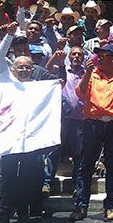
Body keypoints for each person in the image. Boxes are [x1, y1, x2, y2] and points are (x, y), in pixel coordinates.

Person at [0, 23, 49, 223]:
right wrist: (8, 36)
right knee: (8, 178)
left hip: (29, 140)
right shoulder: (5, 80)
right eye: (21, 67)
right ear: (13, 69)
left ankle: (23, 213)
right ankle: (5, 214)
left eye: (28, 67)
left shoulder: (37, 88)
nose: (24, 69)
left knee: (26, 178)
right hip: (9, 139)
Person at [70, 44, 113, 222]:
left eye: (105, 56)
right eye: (99, 55)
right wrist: (88, 73)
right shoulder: (92, 74)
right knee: (86, 165)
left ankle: (111, 206)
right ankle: (81, 205)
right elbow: (80, 93)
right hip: (92, 124)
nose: (100, 59)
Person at [42, 46, 86, 199]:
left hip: (80, 119)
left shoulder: (87, 73)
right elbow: (45, 70)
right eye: (73, 54)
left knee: (79, 154)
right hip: (61, 118)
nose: (76, 57)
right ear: (69, 56)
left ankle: (76, 185)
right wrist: (56, 56)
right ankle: (47, 183)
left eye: (79, 54)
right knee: (54, 151)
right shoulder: (62, 70)